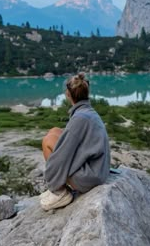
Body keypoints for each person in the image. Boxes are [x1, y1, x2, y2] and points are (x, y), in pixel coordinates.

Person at [40, 72, 110, 211]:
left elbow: (62, 154)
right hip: (97, 169)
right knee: (54, 131)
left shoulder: (80, 118)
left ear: (68, 94)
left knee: (47, 141)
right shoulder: (87, 112)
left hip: (91, 177)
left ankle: (60, 192)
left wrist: (51, 179)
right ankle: (59, 186)